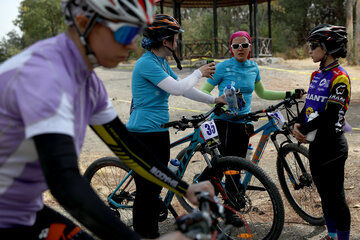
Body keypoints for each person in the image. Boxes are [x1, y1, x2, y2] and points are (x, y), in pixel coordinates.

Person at [0, 1, 215, 240]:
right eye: (126, 32)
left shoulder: (88, 83)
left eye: (137, 32)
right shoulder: (46, 76)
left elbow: (126, 148)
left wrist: (184, 189)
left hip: (21, 210)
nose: (133, 44)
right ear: (84, 24)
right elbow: (65, 182)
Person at [126, 14, 226, 239]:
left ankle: (149, 230)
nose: (177, 42)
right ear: (165, 41)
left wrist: (214, 100)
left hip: (159, 131)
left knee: (156, 186)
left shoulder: (160, 62)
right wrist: (198, 72)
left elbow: (185, 88)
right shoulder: (145, 63)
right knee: (147, 191)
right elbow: (177, 89)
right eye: (175, 38)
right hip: (142, 133)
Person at [200, 30, 305, 159]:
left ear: (250, 47)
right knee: (221, 167)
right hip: (222, 122)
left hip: (243, 122)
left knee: (237, 168)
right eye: (235, 46)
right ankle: (203, 180)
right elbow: (204, 91)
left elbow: (262, 93)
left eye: (244, 45)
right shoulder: (222, 67)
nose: (240, 48)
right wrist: (218, 102)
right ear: (231, 49)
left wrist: (290, 93)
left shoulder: (253, 67)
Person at [293, 24, 351, 240]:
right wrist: (297, 125)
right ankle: (332, 234)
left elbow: (330, 113)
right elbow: (310, 105)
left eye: (313, 46)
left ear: (327, 48)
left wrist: (304, 129)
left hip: (334, 146)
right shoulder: (316, 75)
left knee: (337, 197)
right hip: (317, 146)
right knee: (325, 195)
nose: (310, 50)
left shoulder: (340, 77)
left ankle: (343, 238)